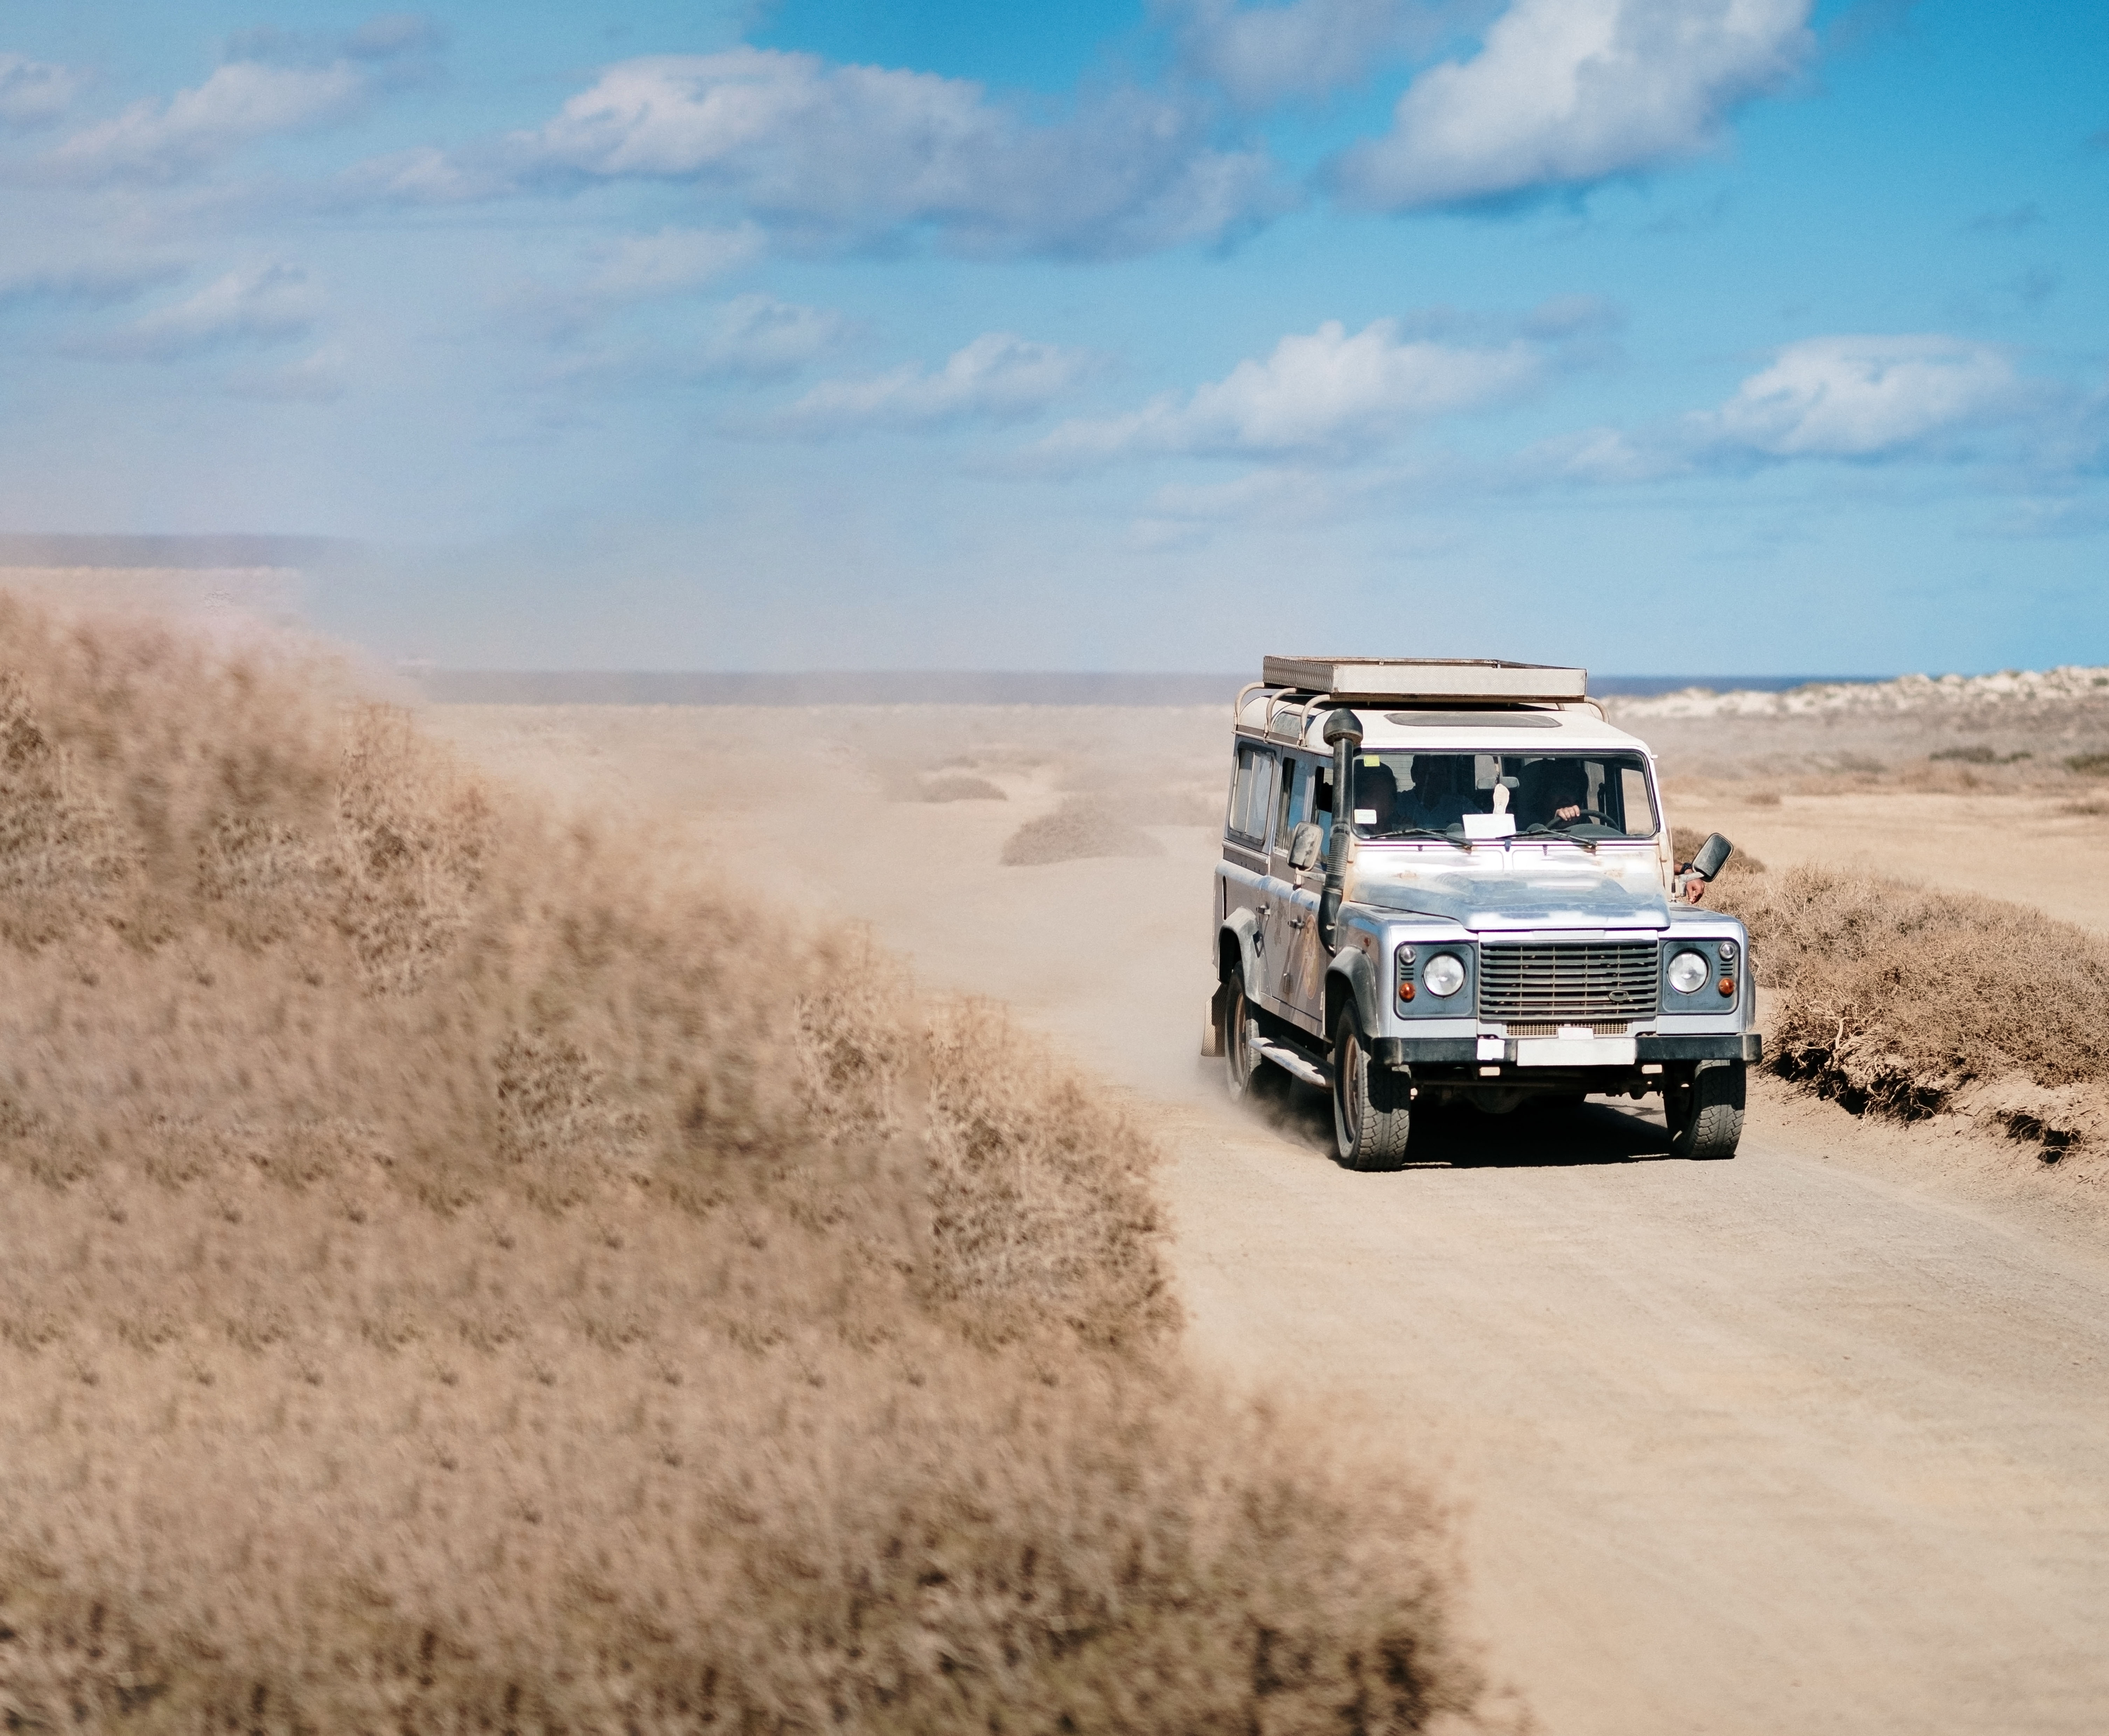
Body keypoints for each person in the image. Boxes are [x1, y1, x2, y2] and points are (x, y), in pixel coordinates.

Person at [1402, 754, 1475, 831]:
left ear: (1447, 777)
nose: (1434, 780)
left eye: (1440, 774)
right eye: (1428, 774)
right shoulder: (1399, 803)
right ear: (1414, 775)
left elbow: (1482, 828)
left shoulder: (1461, 805)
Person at [1516, 758, 1590, 830]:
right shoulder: (1528, 826)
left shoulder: (1583, 821)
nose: (1565, 796)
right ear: (1545, 796)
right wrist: (1557, 826)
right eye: (1557, 790)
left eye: (1572, 791)